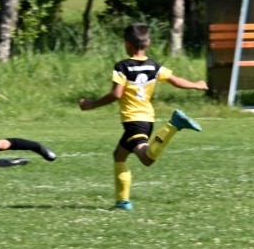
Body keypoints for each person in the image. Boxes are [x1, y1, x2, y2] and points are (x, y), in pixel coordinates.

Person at [78, 22, 208, 211]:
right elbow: (175, 81)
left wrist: (91, 105)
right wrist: (196, 84)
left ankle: (174, 125)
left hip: (133, 120)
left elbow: (116, 94)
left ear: (127, 44)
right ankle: (123, 202)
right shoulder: (153, 66)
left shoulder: (122, 67)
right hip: (147, 118)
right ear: (147, 43)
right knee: (119, 155)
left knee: (146, 158)